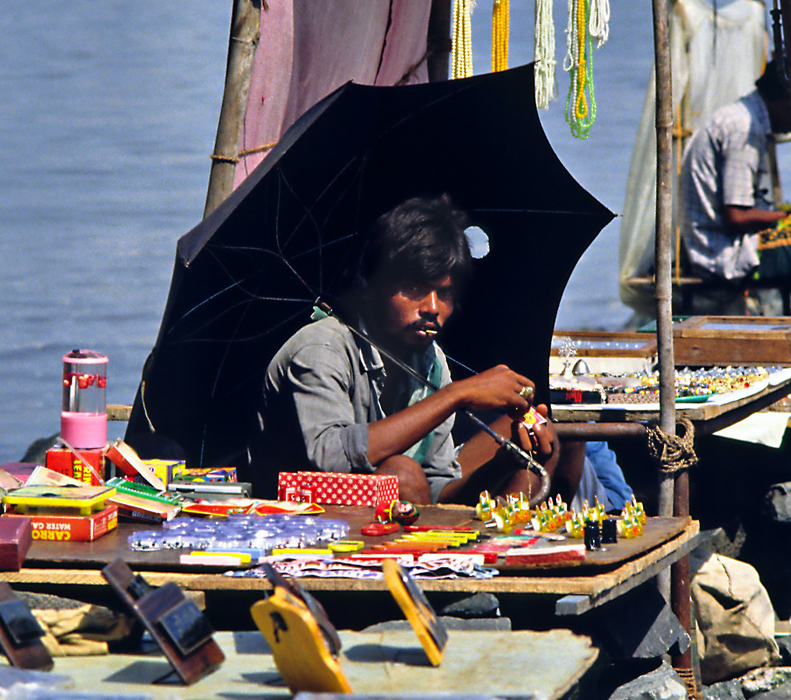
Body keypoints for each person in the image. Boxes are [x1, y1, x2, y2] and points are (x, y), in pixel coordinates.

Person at [249, 194, 597, 506]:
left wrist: (504, 466)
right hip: (301, 517)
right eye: (413, 289)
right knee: (401, 474)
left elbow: (437, 492)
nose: (432, 307)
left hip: (398, 509)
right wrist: (456, 395)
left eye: (444, 293)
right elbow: (330, 456)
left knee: (537, 428)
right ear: (370, 288)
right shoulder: (321, 348)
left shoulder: (429, 360)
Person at [679, 51, 791, 285]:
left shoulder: (743, 116)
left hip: (721, 243)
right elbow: (736, 217)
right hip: (724, 254)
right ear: (790, 100)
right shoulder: (745, 128)